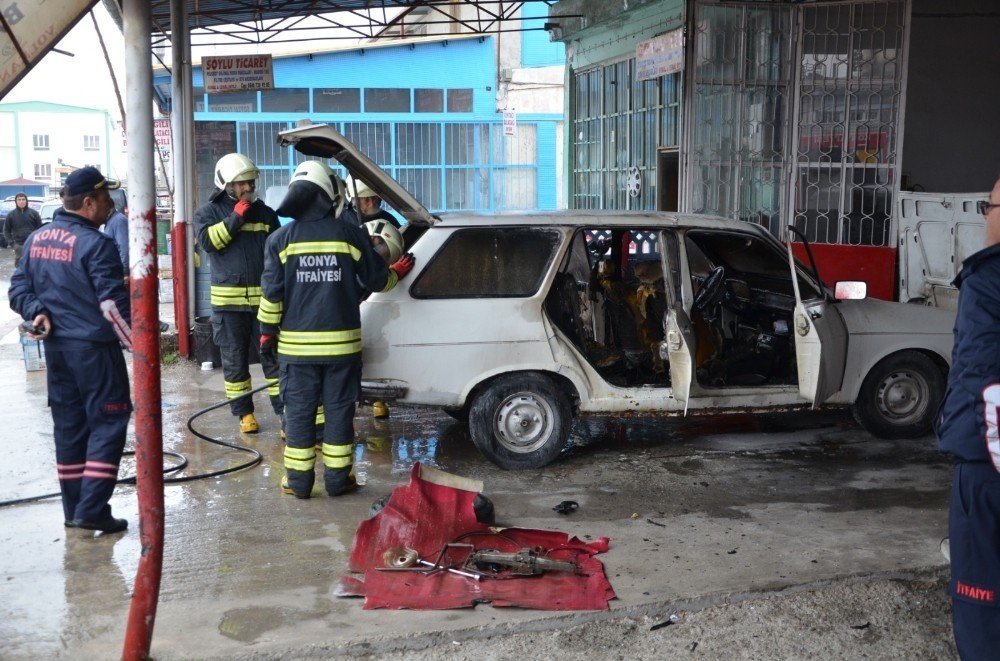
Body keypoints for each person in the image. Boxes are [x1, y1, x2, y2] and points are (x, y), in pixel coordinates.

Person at [258, 161, 414, 499]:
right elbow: (376, 280)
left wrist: (266, 333)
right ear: (329, 195)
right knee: (339, 412)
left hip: (296, 354)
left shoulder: (279, 241)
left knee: (298, 413)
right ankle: (337, 480)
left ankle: (298, 483)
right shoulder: (351, 235)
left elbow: (271, 297)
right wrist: (396, 275)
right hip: (342, 351)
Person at [8, 167, 132, 534]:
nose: (112, 204)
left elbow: (18, 291)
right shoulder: (96, 244)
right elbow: (112, 308)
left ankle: (74, 508)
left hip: (58, 355)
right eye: (107, 198)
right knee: (109, 424)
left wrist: (37, 311)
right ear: (89, 202)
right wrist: (139, 347)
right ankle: (92, 509)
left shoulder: (37, 239)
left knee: (70, 429)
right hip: (95, 353)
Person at [937, 175, 1000, 659]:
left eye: (988, 205)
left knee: (982, 606)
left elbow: (983, 377)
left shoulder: (990, 278)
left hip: (987, 472)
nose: (984, 216)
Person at [195, 153, 282, 434]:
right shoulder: (207, 213)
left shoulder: (266, 213)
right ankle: (244, 414)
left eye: (249, 182)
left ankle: (287, 414)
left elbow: (279, 253)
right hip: (228, 307)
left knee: (274, 359)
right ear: (226, 185)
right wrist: (235, 219)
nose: (247, 188)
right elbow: (208, 242)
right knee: (234, 361)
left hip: (264, 305)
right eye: (241, 184)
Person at [3, 192, 42, 264]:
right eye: (19, 199)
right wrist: (13, 244)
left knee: (33, 266)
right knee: (20, 268)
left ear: (26, 201)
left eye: (23, 199)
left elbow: (40, 229)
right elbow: (6, 231)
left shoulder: (34, 213)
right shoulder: (11, 215)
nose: (21, 201)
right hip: (19, 245)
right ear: (16, 201)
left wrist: (38, 242)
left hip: (33, 245)